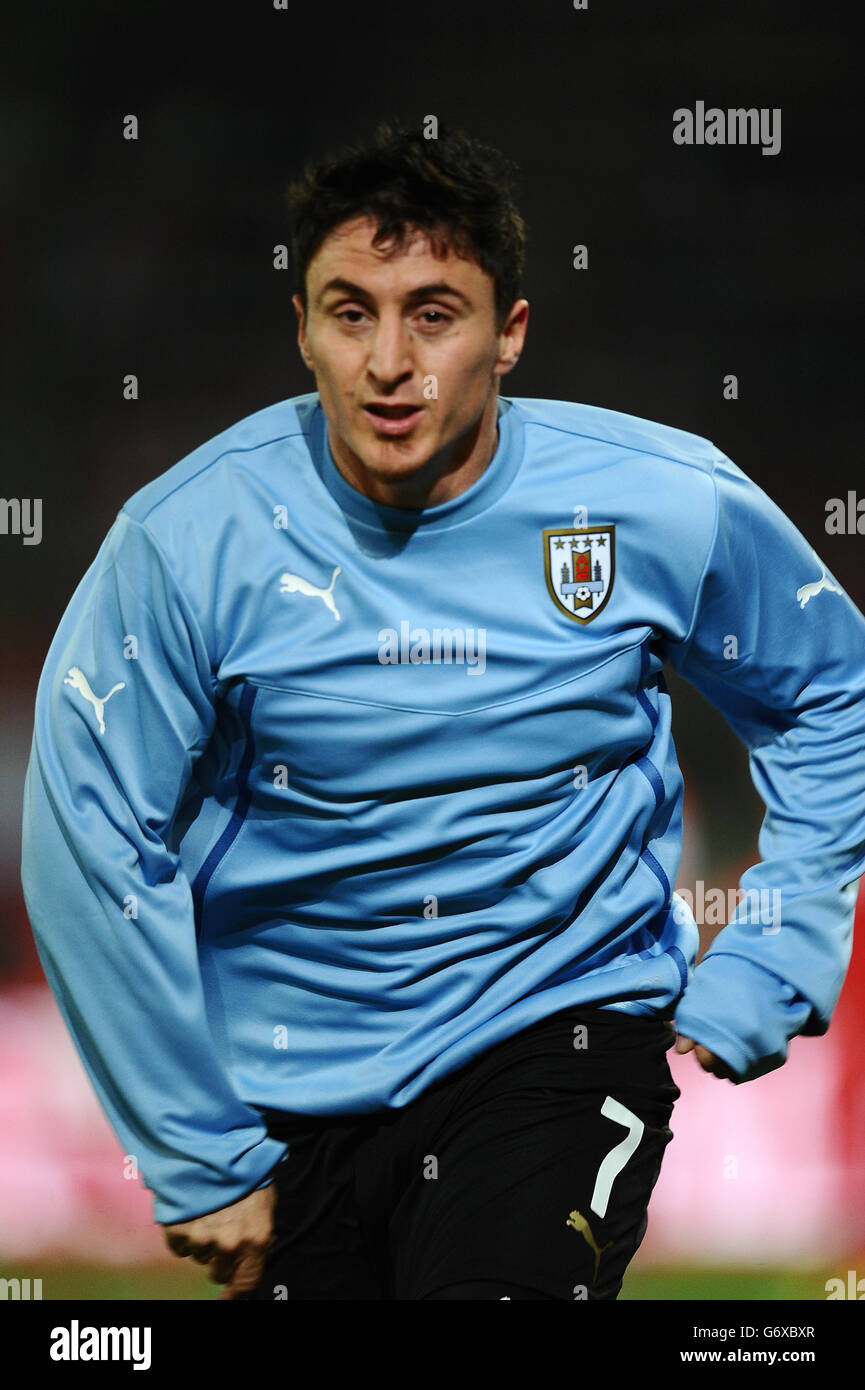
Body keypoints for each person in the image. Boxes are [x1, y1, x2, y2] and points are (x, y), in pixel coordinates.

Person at [20, 121, 865, 1301]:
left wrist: (778, 944)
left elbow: (832, 690)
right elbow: (89, 833)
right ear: (301, 329)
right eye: (350, 310)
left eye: (433, 311)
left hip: (558, 1040)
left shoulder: (662, 504)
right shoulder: (188, 542)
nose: (387, 362)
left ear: (509, 332)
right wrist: (194, 1146)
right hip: (290, 1081)